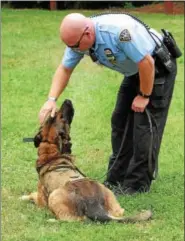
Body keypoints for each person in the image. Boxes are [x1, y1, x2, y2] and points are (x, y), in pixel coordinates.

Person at [39, 13, 177, 195]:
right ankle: (116, 177)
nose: (73, 50)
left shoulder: (119, 33)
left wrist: (144, 95)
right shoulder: (79, 40)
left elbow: (147, 62)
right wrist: (51, 100)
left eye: (75, 46)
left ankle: (136, 185)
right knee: (119, 120)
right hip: (135, 71)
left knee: (144, 127)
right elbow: (65, 68)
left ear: (87, 34)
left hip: (156, 68)